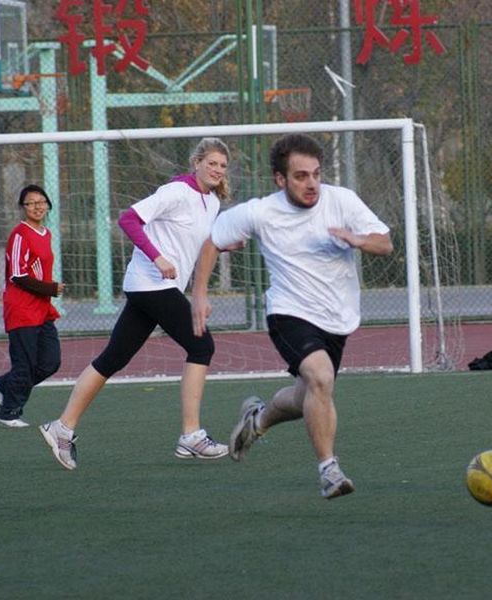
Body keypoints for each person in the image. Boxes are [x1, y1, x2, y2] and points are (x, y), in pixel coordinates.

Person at [191, 133, 393, 500]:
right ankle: (329, 471)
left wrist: (359, 240)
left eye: (316, 174)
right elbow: (211, 242)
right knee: (320, 377)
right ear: (280, 179)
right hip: (289, 313)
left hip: (337, 318)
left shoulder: (342, 201)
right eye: (301, 176)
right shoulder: (260, 212)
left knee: (308, 396)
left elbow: (385, 241)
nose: (311, 183)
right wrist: (200, 296)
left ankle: (259, 419)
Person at [39, 137, 232, 470]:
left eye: (223, 166)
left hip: (153, 288)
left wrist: (228, 244)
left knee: (113, 358)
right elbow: (128, 219)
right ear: (197, 162)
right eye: (212, 163)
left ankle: (62, 428)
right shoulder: (175, 192)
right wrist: (157, 258)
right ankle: (191, 435)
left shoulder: (211, 202)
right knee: (202, 346)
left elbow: (198, 243)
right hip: (152, 284)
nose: (217, 170)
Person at [0, 185, 63, 427]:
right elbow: (17, 275)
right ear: (23, 207)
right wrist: (50, 288)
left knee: (50, 362)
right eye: (31, 203)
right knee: (25, 364)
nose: (37, 207)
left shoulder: (46, 233)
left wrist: (48, 291)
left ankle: (3, 384)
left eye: (41, 202)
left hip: (43, 309)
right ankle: (8, 412)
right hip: (22, 309)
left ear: (48, 204)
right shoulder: (19, 235)